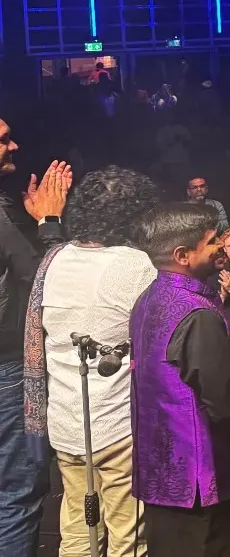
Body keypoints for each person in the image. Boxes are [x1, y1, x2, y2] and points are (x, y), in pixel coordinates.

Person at [30, 166, 159, 557]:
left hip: (65, 424)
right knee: (128, 537)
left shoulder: (54, 259)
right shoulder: (136, 264)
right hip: (116, 426)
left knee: (76, 531)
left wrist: (48, 221)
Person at [129, 204, 230, 557]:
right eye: (212, 241)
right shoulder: (196, 313)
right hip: (202, 482)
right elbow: (225, 405)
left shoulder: (147, 299)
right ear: (183, 255)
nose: (221, 246)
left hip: (159, 473)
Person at [1, 143, 69, 557]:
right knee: (15, 491)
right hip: (4, 367)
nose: (13, 146)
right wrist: (49, 222)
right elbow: (45, 278)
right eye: (3, 139)